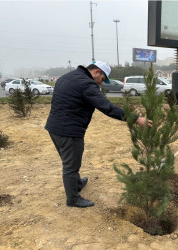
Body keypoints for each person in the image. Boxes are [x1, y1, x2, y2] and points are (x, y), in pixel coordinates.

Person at [45, 61, 152, 208]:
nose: (101, 83)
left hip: (54, 127)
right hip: (69, 131)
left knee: (70, 159)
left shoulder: (67, 77)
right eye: (102, 79)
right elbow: (108, 108)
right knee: (70, 165)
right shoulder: (87, 84)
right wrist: (136, 119)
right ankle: (73, 199)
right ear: (96, 72)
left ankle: (76, 183)